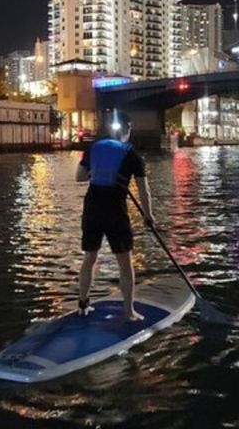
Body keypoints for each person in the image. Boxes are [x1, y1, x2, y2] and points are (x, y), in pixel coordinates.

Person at [75, 111, 154, 321]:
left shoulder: (93, 147)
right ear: (128, 130)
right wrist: (148, 215)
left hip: (91, 207)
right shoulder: (131, 154)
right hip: (114, 210)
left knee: (89, 257)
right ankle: (129, 313)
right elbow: (144, 191)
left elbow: (79, 177)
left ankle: (83, 305)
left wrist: (97, 173)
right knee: (125, 262)